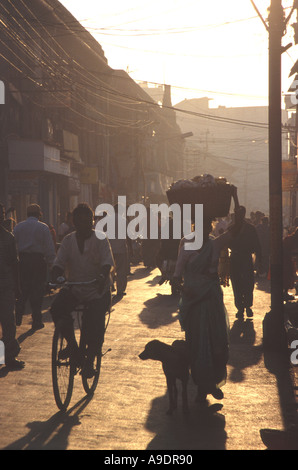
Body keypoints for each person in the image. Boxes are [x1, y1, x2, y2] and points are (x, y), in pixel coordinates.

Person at [172, 186, 240, 405]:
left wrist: (236, 198)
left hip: (211, 301)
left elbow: (237, 228)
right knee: (196, 344)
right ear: (194, 226)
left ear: (209, 226)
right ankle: (203, 385)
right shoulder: (186, 244)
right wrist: (181, 286)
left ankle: (212, 381)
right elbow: (177, 274)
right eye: (198, 225)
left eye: (205, 225)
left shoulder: (215, 242)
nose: (201, 228)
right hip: (194, 301)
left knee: (216, 342)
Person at [50, 203, 114, 378]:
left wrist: (102, 276)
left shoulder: (101, 238)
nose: (84, 225)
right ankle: (72, 345)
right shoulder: (68, 240)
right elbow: (59, 262)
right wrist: (55, 274)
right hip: (75, 287)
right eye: (79, 222)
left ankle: (90, 360)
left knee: (95, 324)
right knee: (56, 309)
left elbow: (107, 263)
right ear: (74, 223)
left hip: (97, 289)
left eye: (88, 222)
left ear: (92, 222)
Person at [13, 204, 56, 330]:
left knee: (23, 289)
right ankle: (37, 319)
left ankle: (19, 312)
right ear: (39, 214)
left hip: (23, 261)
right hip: (38, 262)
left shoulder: (18, 227)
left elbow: (13, 245)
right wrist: (52, 265)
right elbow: (49, 249)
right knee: (37, 291)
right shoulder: (43, 228)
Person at [0, 203, 24, 370]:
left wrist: (17, 286)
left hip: (5, 285)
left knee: (8, 322)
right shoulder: (8, 237)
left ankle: (8, 357)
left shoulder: (9, 237)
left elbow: (15, 264)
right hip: (6, 285)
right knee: (8, 322)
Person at [228, 205, 262, 319]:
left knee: (247, 284)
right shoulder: (231, 228)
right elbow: (227, 244)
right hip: (236, 258)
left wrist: (260, 261)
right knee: (237, 284)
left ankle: (247, 306)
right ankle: (240, 308)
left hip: (245, 258)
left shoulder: (250, 229)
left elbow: (257, 246)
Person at [108, 204, 128, 298]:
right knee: (121, 271)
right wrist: (130, 249)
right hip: (121, 248)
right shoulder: (124, 220)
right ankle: (120, 290)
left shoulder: (108, 220)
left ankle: (110, 287)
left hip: (110, 248)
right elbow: (128, 236)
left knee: (109, 270)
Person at [283, 228, 298, 300]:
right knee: (286, 277)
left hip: (289, 260)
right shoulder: (289, 240)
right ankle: (284, 293)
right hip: (285, 260)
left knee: (289, 277)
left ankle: (285, 292)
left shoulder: (290, 239)